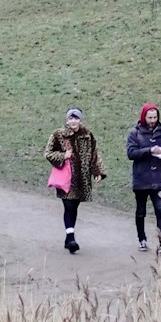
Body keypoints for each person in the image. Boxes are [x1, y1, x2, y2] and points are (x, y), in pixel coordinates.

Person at [45, 108, 107, 254]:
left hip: (82, 178)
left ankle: (68, 238)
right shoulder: (58, 135)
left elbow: (94, 154)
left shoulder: (87, 135)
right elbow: (48, 153)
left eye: (76, 118)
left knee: (74, 206)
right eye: (71, 118)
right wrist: (63, 155)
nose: (73, 121)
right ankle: (71, 237)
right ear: (67, 120)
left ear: (80, 119)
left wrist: (98, 171)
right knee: (69, 205)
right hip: (65, 179)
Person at [127, 103, 161, 254]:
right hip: (141, 180)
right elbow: (131, 153)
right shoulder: (134, 133)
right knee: (141, 211)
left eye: (155, 117)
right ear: (144, 117)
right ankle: (142, 239)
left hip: (158, 179)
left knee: (160, 211)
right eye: (150, 117)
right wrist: (149, 150)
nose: (153, 120)